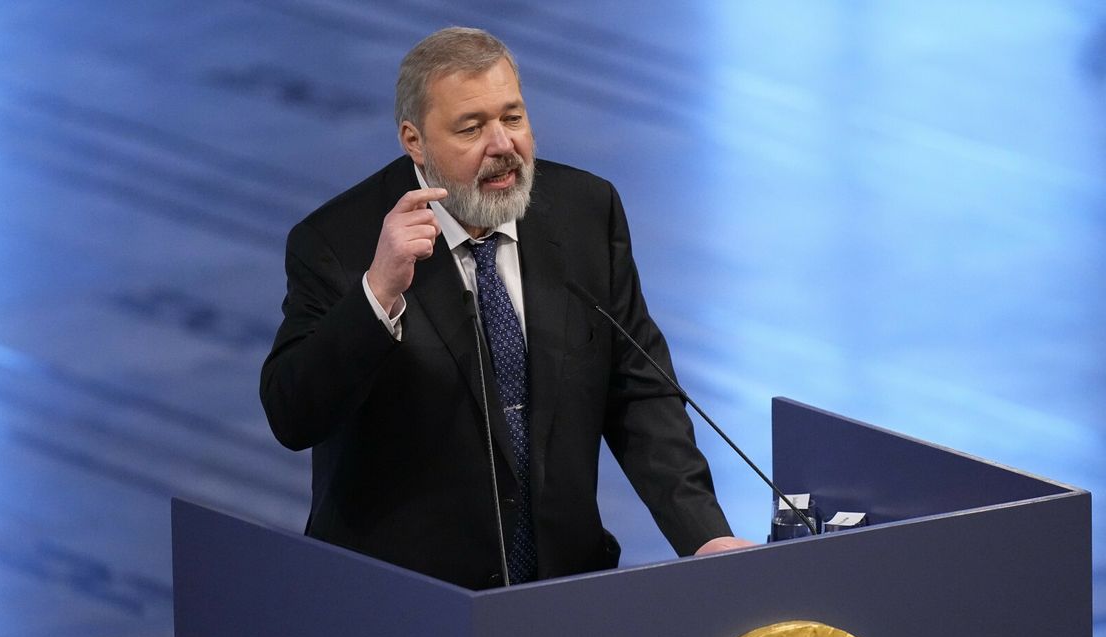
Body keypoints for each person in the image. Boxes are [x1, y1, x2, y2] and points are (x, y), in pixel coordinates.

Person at [260, 27, 752, 590]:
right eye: (471, 128)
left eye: (513, 118)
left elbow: (639, 390)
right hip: (407, 607)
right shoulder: (338, 243)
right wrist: (377, 293)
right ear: (414, 141)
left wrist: (702, 534)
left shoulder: (586, 213)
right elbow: (292, 415)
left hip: (562, 594)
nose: (502, 145)